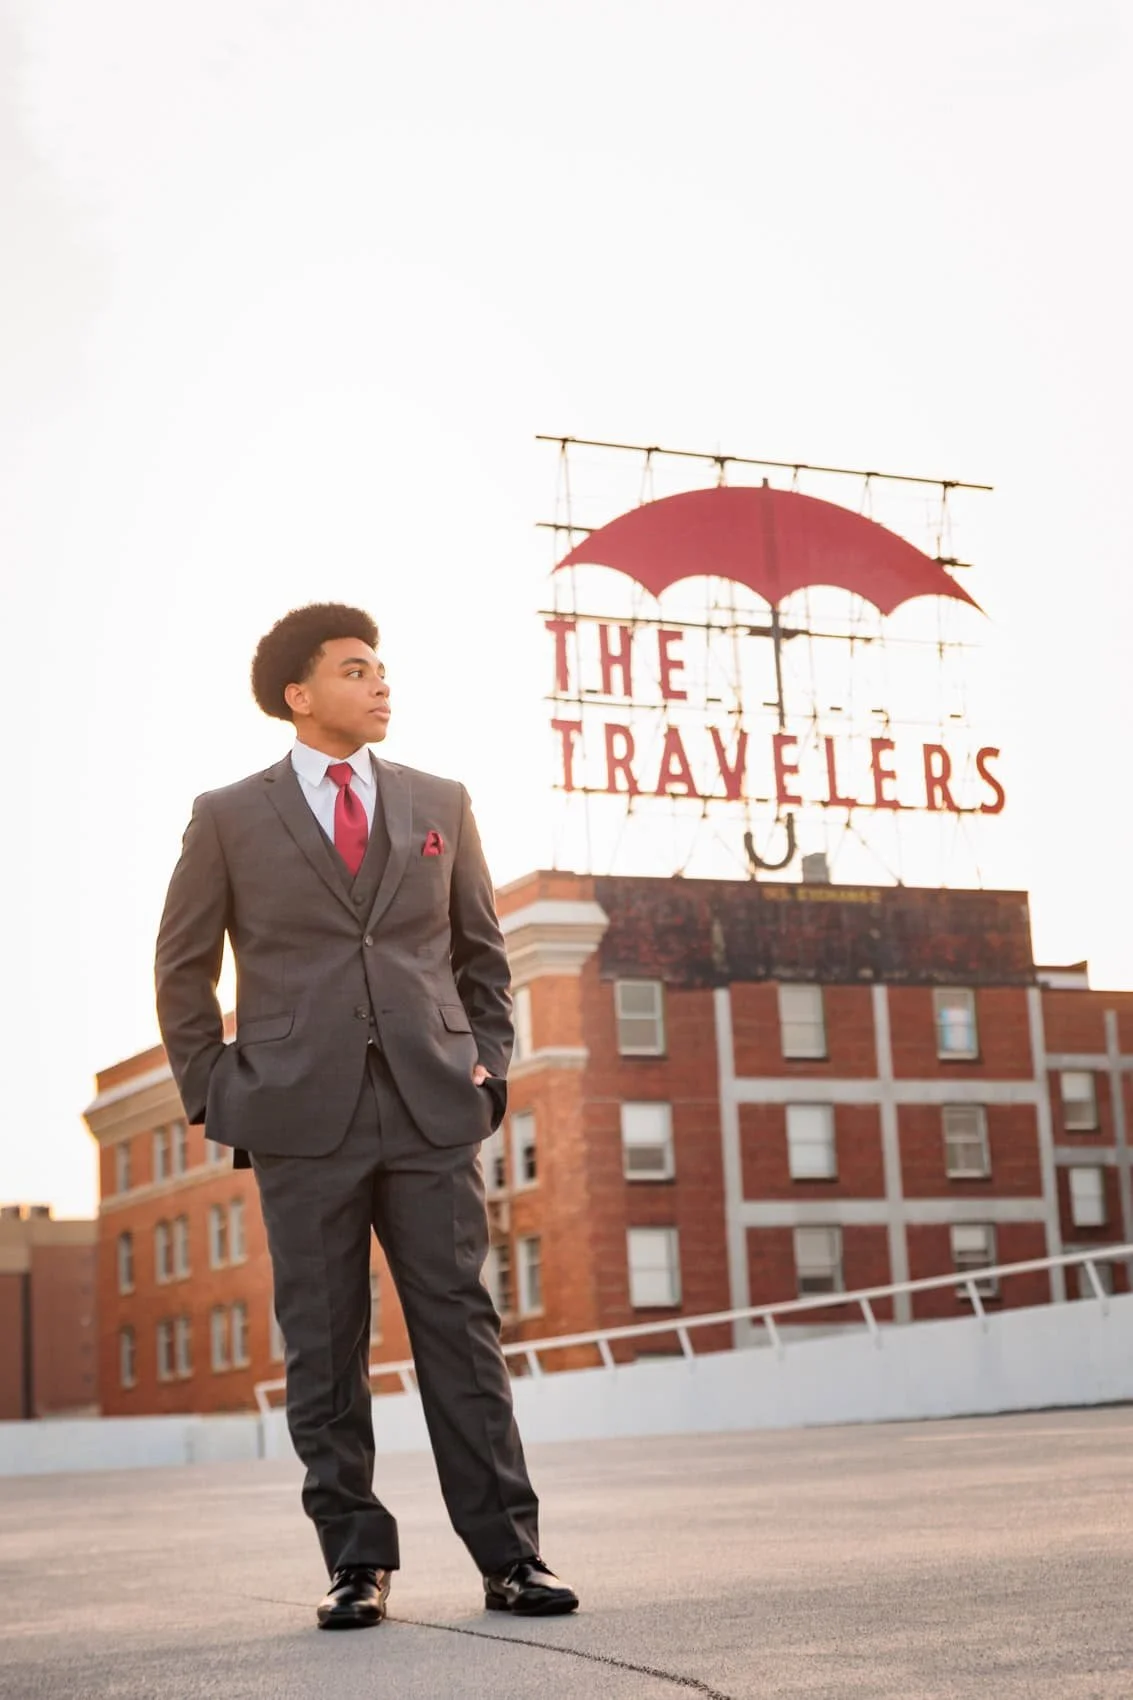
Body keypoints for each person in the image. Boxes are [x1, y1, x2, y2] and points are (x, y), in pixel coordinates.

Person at [155, 601, 578, 1630]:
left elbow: (482, 954)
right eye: (355, 669)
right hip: (298, 1117)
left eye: (382, 667)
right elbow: (181, 964)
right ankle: (355, 1559)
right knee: (323, 1343)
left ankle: (510, 1555)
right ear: (298, 695)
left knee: (461, 1335)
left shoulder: (441, 798)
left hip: (433, 1107)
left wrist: (486, 1066)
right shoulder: (228, 814)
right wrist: (217, 1091)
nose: (379, 683)